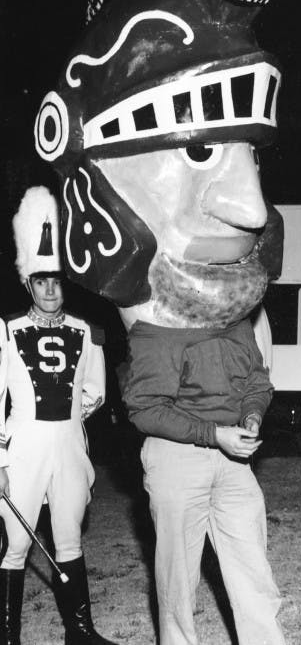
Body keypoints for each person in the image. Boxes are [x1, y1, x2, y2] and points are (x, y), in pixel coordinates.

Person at [35, 0, 295, 644]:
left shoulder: (237, 320)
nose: (250, 208)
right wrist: (219, 433)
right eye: (201, 150)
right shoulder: (149, 334)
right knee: (178, 580)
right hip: (182, 459)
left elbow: (254, 374)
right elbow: (146, 410)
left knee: (254, 572)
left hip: (229, 459)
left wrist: (249, 417)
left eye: (251, 156)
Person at [0, 187, 117, 645]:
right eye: (41, 280)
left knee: (69, 539)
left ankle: (80, 631)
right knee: (16, 545)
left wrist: (70, 423)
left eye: (56, 280)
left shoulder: (85, 332)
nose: (50, 289)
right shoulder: (7, 331)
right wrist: (1, 460)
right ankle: (9, 637)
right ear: (28, 283)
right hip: (23, 451)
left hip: (69, 448)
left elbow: (97, 392)